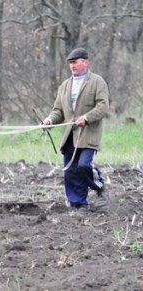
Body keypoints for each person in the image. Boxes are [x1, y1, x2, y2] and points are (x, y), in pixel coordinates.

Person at [42, 48, 110, 214]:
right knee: (71, 171)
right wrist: (49, 120)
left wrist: (86, 118)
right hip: (70, 135)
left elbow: (103, 106)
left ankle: (100, 187)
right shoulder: (65, 86)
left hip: (88, 134)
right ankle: (78, 205)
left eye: (75, 62)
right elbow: (58, 110)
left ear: (85, 62)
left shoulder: (97, 82)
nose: (72, 66)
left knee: (84, 165)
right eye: (70, 63)